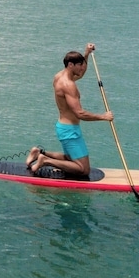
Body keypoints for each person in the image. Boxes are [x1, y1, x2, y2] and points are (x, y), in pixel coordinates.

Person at [27, 43, 113, 177]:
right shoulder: (68, 85)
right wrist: (104, 117)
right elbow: (80, 113)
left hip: (64, 127)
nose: (82, 68)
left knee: (70, 158)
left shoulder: (59, 76)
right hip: (70, 131)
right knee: (83, 170)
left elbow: (81, 73)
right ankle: (45, 161)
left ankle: (39, 153)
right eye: (79, 65)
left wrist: (86, 54)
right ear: (71, 65)